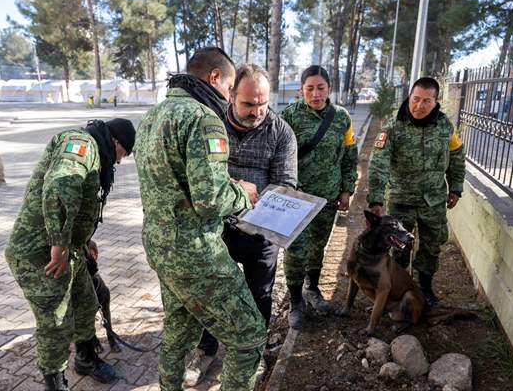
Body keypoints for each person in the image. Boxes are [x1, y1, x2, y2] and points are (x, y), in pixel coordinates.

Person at [135, 47, 267, 391]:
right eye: (228, 88)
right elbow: (210, 200)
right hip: (195, 253)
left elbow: (175, 180)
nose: (228, 97)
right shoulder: (204, 119)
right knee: (249, 336)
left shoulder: (155, 115)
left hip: (161, 245)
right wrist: (244, 194)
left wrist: (226, 182)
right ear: (214, 78)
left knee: (180, 331)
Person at [184, 63, 297, 387]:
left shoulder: (280, 132)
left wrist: (258, 200)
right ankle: (205, 349)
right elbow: (200, 174)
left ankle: (254, 351)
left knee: (259, 294)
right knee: (211, 290)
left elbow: (286, 185)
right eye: (249, 104)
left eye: (262, 103)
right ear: (231, 95)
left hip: (261, 232)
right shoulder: (210, 123)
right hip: (215, 228)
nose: (257, 111)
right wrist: (234, 188)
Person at [5, 118, 136, 391]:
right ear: (116, 143)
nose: (120, 162)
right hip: (39, 254)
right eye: (123, 154)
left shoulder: (93, 149)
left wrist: (84, 241)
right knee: (56, 321)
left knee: (86, 303)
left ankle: (86, 359)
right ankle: (54, 381)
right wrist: (60, 243)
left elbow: (80, 200)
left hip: (68, 251)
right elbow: (60, 186)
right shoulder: (81, 144)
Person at [367, 77, 466, 308]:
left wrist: (456, 188)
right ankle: (397, 291)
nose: (419, 106)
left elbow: (458, 157)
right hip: (402, 200)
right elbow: (378, 164)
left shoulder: (445, 126)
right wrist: (376, 199)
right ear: (409, 97)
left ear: (435, 102)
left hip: (434, 201)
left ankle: (425, 290)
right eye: (416, 99)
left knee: (431, 247)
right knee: (399, 249)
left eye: (426, 101)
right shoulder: (393, 126)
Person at [281, 65, 358, 329]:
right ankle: (295, 302)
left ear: (329, 88)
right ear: (301, 90)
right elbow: (277, 155)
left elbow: (350, 157)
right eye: (310, 88)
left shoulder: (342, 118)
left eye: (320, 88)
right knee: (295, 251)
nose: (315, 93)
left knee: (317, 247)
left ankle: (312, 289)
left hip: (328, 198)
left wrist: (347, 189)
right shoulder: (288, 117)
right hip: (297, 198)